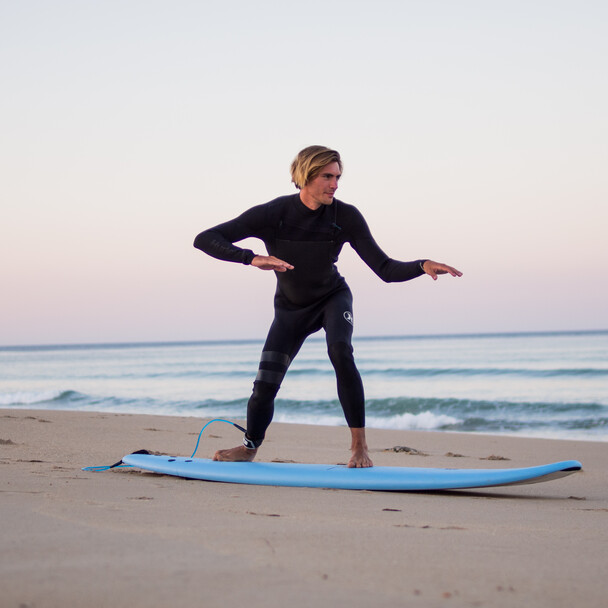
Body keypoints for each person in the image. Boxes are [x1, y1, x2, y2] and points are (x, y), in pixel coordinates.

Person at [193, 145, 462, 467]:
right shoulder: (274, 213)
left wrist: (421, 265)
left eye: (338, 177)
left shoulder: (345, 216)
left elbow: (385, 269)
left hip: (332, 298)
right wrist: (251, 258)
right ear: (306, 176)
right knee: (264, 385)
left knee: (340, 353)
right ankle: (250, 446)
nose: (335, 184)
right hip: (290, 309)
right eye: (327, 177)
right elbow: (206, 238)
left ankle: (359, 447)